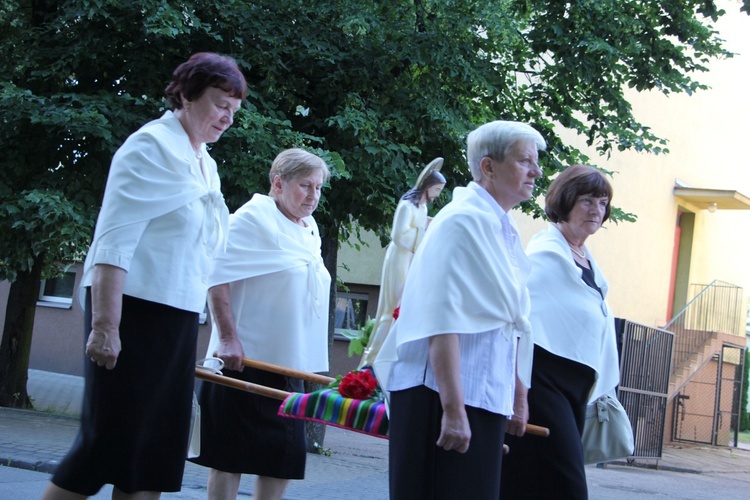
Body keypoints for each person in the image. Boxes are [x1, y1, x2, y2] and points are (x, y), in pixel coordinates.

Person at [42, 53, 247, 500]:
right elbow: (115, 241)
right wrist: (104, 326)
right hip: (129, 313)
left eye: (234, 111)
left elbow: (206, 255)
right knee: (103, 448)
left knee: (153, 455)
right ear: (188, 95)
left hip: (174, 317)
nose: (227, 119)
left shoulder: (204, 163)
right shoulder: (150, 146)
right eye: (219, 105)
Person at [373, 120, 546, 499]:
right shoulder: (461, 221)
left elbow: (513, 324)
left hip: (481, 396)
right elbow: (440, 318)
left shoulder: (501, 227)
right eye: (525, 161)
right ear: (488, 167)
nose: (536, 172)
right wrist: (453, 410)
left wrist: (516, 400)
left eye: (536, 162)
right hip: (438, 396)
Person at [191, 148, 331, 500]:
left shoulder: (309, 229)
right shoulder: (252, 219)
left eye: (318, 187)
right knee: (228, 457)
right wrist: (227, 339)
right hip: (244, 362)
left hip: (288, 364)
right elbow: (216, 275)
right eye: (305, 186)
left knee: (283, 458)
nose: (313, 196)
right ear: (278, 183)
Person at [500, 164, 620, 499]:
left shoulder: (584, 257)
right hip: (543, 382)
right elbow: (519, 326)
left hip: (574, 386)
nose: (596, 209)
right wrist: (519, 396)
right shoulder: (545, 255)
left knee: (533, 480)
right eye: (586, 200)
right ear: (564, 201)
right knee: (567, 483)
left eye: (602, 202)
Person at [358, 157, 446, 369]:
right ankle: (371, 361)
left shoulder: (422, 208)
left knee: (403, 306)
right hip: (399, 258)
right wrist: (423, 230)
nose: (438, 194)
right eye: (437, 189)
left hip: (411, 259)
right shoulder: (407, 205)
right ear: (428, 186)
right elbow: (399, 236)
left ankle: (388, 359)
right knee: (391, 308)